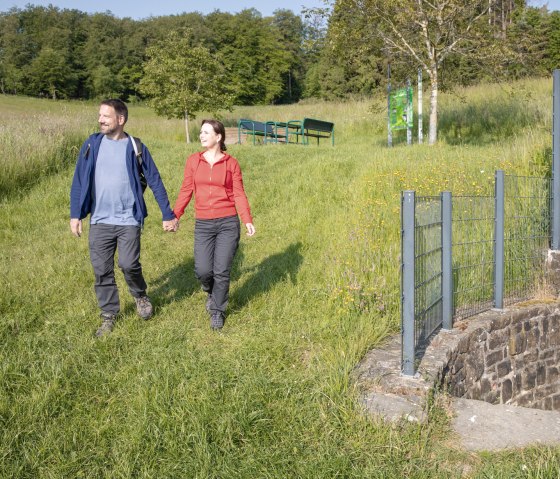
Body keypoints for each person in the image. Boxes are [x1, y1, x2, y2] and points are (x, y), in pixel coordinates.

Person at [70, 99, 178, 337]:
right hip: (99, 220)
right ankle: (109, 315)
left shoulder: (135, 146)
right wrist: (75, 214)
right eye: (99, 115)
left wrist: (167, 213)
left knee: (129, 264)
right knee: (102, 270)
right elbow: (79, 180)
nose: (100, 120)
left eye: (105, 116)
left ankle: (140, 296)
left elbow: (154, 179)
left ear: (120, 119)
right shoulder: (92, 144)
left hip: (128, 218)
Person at [173, 119, 255, 330]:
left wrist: (246, 219)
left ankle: (217, 310)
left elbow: (238, 193)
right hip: (204, 223)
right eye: (200, 132)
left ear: (218, 137)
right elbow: (186, 190)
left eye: (206, 132)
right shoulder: (193, 161)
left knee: (222, 271)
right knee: (203, 270)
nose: (201, 135)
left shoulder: (231, 163)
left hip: (228, 222)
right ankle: (209, 290)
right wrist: (176, 215)